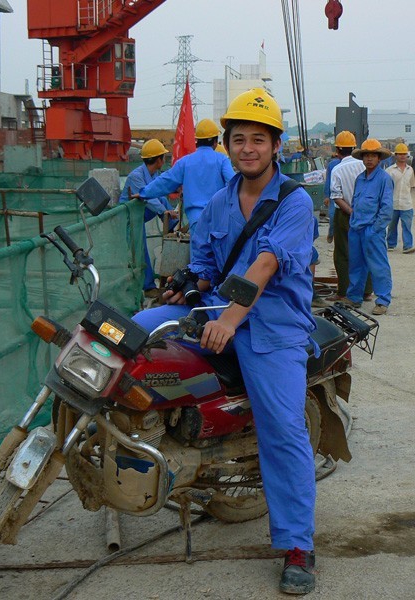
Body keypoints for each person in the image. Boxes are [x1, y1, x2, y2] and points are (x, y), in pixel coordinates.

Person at [133, 88, 319, 595]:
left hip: (272, 327)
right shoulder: (218, 202)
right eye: (240, 139)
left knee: (282, 429)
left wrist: (233, 318)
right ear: (229, 145)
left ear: (275, 146)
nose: (248, 148)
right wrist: (186, 282)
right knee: (136, 327)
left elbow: (264, 265)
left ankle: (298, 545)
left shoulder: (296, 202)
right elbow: (207, 267)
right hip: (216, 312)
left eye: (259, 139)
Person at [135, 119, 235, 229]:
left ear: (197, 141)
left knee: (199, 246)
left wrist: (143, 193)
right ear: (215, 142)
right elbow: (234, 183)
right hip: (218, 219)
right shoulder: (222, 160)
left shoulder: (185, 162)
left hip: (196, 221)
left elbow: (165, 181)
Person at [119, 139, 179, 298]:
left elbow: (160, 191)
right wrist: (166, 211)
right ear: (158, 159)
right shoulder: (136, 176)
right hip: (130, 219)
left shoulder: (154, 174)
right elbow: (150, 198)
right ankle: (148, 287)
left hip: (141, 213)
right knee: (141, 249)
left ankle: (174, 227)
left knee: (163, 200)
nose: (164, 160)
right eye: (163, 157)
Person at [344, 138, 393, 316]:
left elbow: (387, 209)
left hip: (373, 230)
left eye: (373, 155)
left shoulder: (384, 179)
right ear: (362, 158)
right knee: (356, 265)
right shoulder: (360, 178)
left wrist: (375, 230)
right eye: (366, 155)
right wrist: (353, 224)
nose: (369, 159)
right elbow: (355, 203)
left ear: (379, 158)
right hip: (356, 229)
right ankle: (354, 297)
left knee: (378, 266)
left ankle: (382, 300)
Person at [328, 131, 373, 303]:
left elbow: (336, 196)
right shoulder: (365, 166)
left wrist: (350, 211)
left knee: (343, 253)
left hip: (345, 214)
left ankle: (343, 291)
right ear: (354, 148)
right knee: (365, 251)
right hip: (366, 213)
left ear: (338, 150)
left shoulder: (337, 169)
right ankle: (367, 291)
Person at [385, 143, 415, 254]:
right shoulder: (389, 171)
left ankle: (408, 246)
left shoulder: (410, 170)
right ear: (395, 155)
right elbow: (386, 188)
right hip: (393, 203)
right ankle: (391, 244)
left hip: (406, 203)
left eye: (404, 154)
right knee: (392, 226)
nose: (402, 156)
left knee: (407, 226)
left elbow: (411, 185)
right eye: (400, 154)